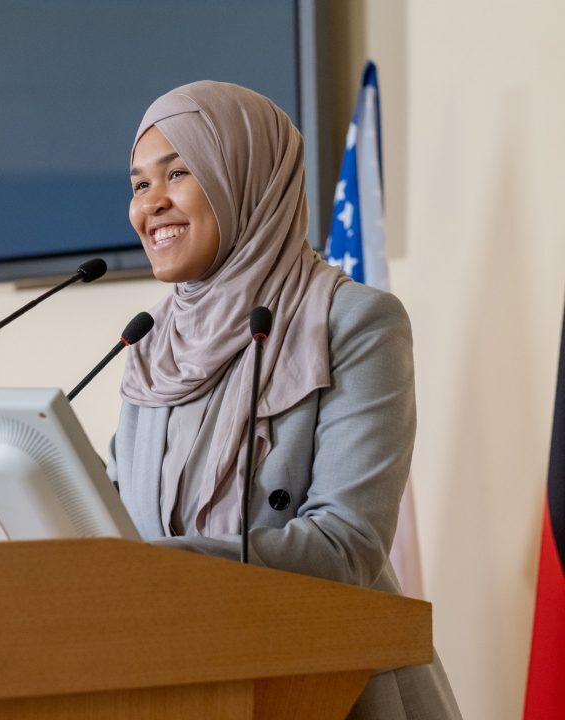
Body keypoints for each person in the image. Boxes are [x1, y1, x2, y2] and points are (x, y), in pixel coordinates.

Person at [107, 81, 462, 719]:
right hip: (174, 685)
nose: (150, 205)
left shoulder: (354, 322)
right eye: (138, 185)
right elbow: (108, 511)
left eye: (179, 173)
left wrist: (153, 568)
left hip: (328, 689)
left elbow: (345, 545)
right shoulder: (152, 344)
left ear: (247, 177)